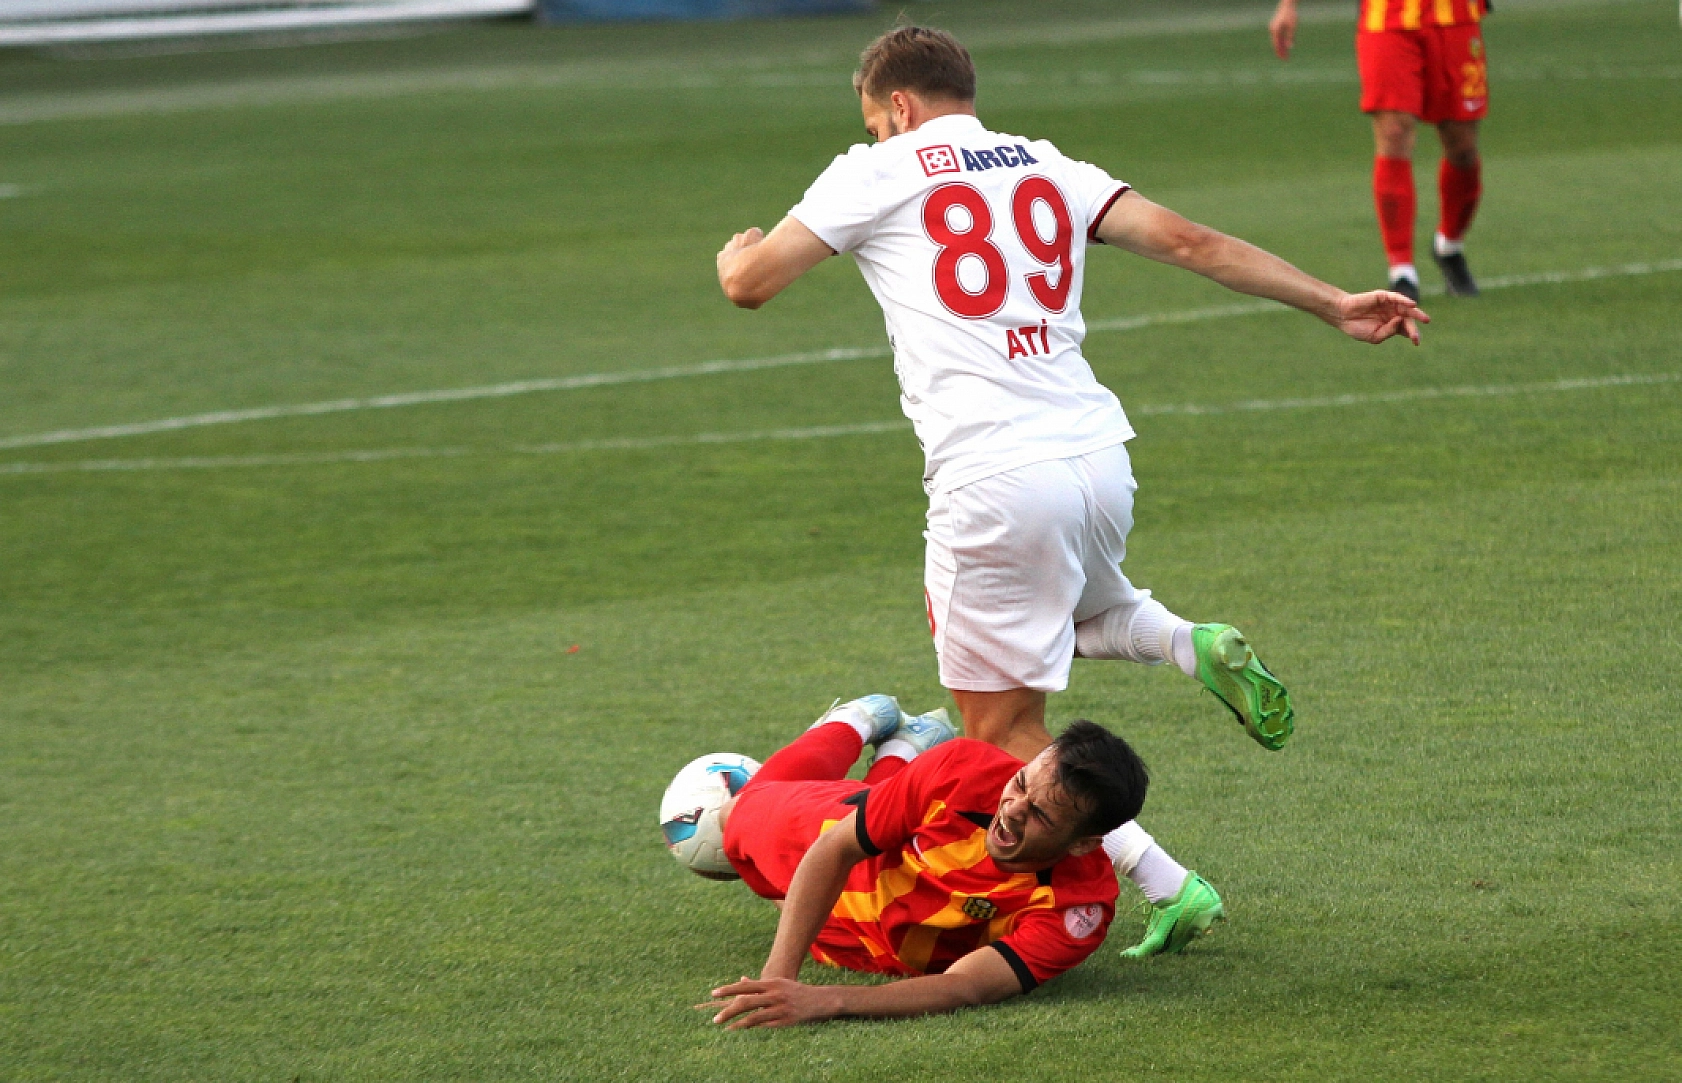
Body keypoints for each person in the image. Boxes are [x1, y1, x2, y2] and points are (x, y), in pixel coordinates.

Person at [714, 26, 1426, 957]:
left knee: (1000, 736)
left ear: (897, 106)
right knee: (1074, 613)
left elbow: (753, 286)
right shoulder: (1049, 165)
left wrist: (737, 253)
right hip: (1098, 455)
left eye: (878, 122)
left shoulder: (874, 167)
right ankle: (1183, 640)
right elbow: (1189, 240)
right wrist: (1335, 301)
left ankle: (1169, 883)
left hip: (994, 478)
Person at [700, 695, 1147, 1029]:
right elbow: (836, 850)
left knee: (785, 902)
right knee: (728, 816)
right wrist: (777, 980)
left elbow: (963, 987)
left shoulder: (1078, 910)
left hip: (876, 943)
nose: (1012, 808)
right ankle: (857, 720)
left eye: (1041, 814)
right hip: (848, 845)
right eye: (1020, 783)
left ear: (1083, 845)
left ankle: (903, 753)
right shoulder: (963, 770)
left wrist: (826, 1000)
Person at [1270, 0, 1490, 298]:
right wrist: (1288, 5)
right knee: (1394, 133)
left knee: (1462, 147)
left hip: (1455, 16)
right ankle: (1402, 271)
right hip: (1385, 18)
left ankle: (1449, 246)